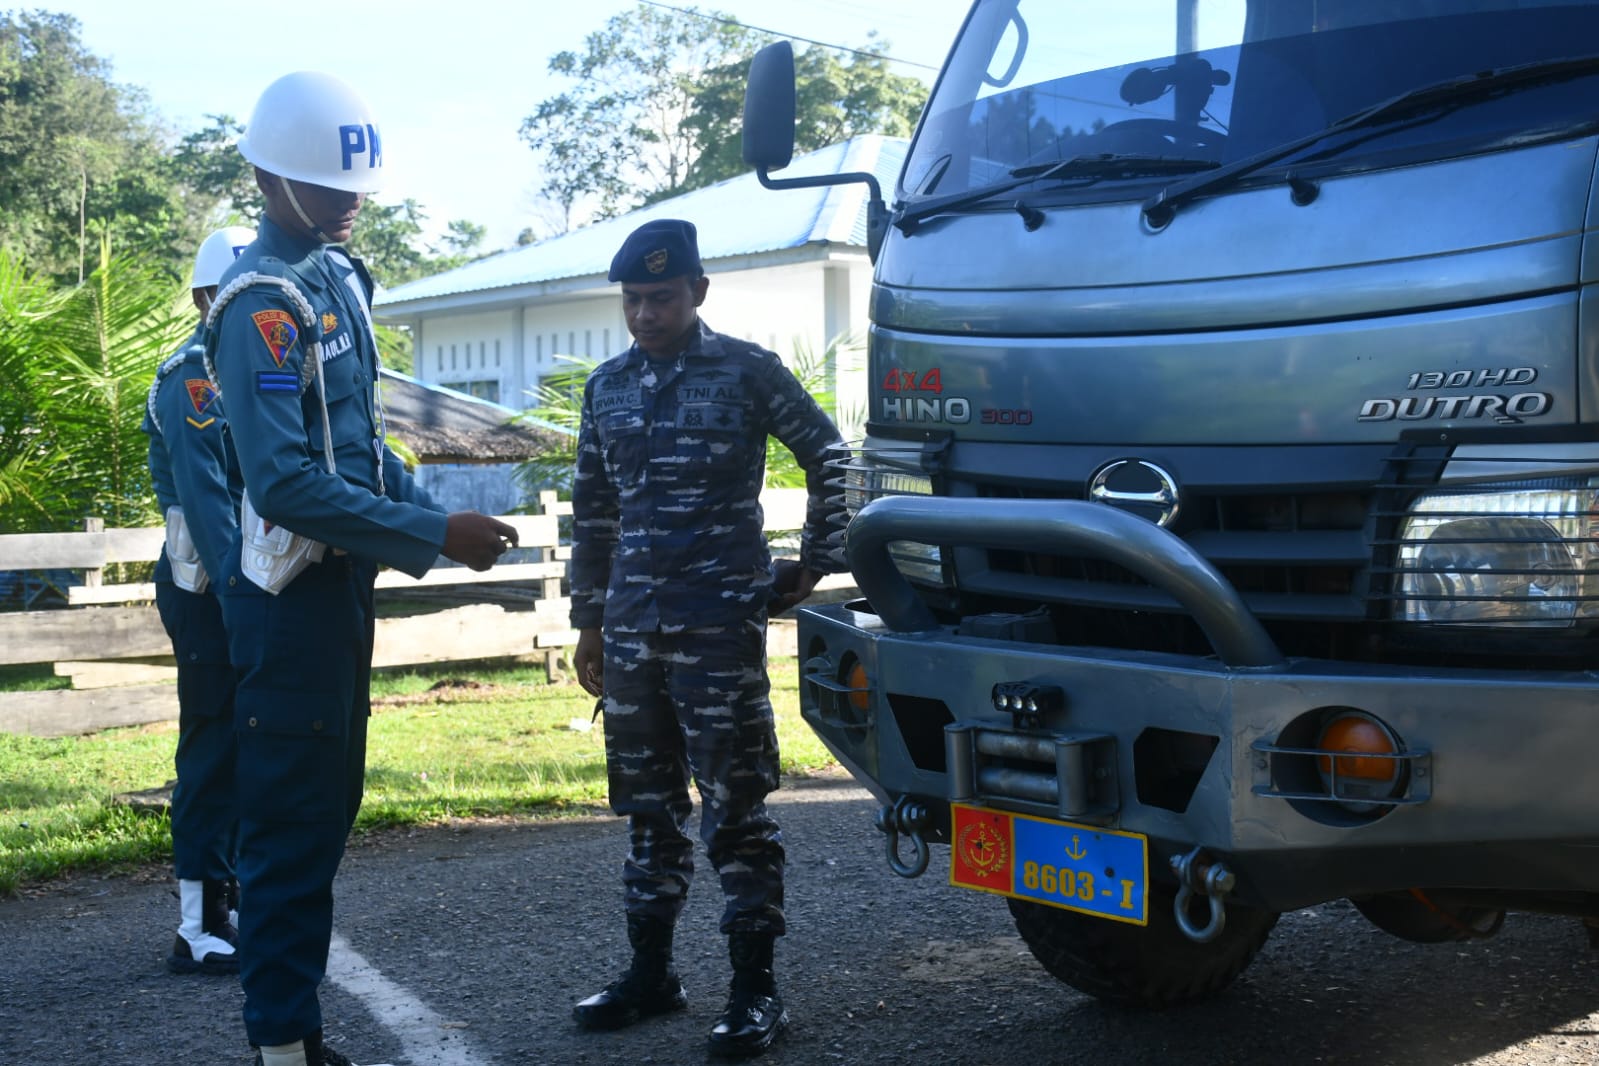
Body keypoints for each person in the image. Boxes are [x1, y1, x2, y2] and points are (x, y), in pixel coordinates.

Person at [205, 70, 519, 1066]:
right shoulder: (258, 303)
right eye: (322, 184)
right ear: (264, 176)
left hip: (342, 591)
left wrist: (432, 514)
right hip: (289, 603)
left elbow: (366, 443)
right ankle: (280, 1049)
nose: (348, 202)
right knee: (290, 832)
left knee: (322, 818)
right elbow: (287, 483)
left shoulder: (338, 279)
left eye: (353, 186)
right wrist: (433, 538)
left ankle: (294, 1034)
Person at [568, 218, 847, 1059]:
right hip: (629, 631)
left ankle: (754, 991)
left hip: (716, 624)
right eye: (631, 300)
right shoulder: (606, 386)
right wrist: (587, 621)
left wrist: (815, 558)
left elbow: (829, 455)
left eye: (659, 297)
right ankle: (651, 974)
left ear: (697, 292)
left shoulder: (747, 371)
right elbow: (593, 510)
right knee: (647, 809)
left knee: (735, 809)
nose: (644, 315)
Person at [142, 223, 255, 977]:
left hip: (242, 581)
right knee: (212, 748)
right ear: (204, 296)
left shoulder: (240, 365)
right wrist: (243, 595)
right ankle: (198, 924)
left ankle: (229, 898)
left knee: (245, 747)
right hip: (209, 584)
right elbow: (208, 500)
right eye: (235, 296)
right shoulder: (194, 377)